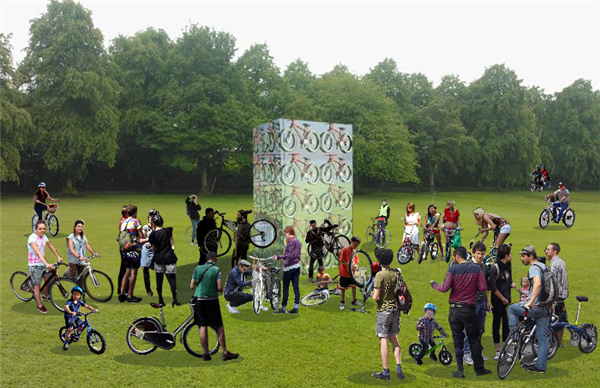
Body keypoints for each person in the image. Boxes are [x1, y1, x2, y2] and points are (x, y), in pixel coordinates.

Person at [430, 246, 491, 378]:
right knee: (474, 340)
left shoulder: (452, 270)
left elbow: (445, 288)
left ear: (457, 256)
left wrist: (434, 284)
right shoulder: (476, 269)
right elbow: (483, 287)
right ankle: (479, 369)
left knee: (458, 340)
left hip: (454, 310)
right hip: (469, 310)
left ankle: (460, 371)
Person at [508, 246, 552, 373]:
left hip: (537, 307)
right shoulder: (545, 266)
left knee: (511, 309)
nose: (521, 258)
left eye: (523, 256)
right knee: (543, 338)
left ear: (531, 256)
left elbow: (537, 284)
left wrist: (530, 302)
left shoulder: (534, 268)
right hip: (546, 307)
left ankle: (514, 336)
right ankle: (540, 366)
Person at [190, 251, 239, 361]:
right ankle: (224, 352)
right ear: (215, 259)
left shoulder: (198, 269)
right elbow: (220, 287)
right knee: (218, 325)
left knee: (202, 326)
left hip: (199, 299)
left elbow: (191, 285)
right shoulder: (216, 270)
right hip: (211, 300)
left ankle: (206, 353)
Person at [370, 248, 404, 381]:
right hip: (395, 309)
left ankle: (385, 372)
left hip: (384, 311)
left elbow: (376, 297)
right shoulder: (396, 272)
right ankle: (399, 368)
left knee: (383, 339)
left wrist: (372, 294)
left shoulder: (380, 275)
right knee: (394, 339)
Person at [463, 241, 491, 365]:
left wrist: (488, 301)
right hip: (471, 302)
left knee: (480, 329)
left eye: (482, 254)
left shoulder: (484, 267)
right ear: (473, 253)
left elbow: (485, 286)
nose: (480, 256)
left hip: (482, 301)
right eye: (478, 253)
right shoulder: (467, 266)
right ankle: (467, 353)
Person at [28, 220, 63, 313]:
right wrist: (47, 264)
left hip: (42, 264)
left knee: (49, 279)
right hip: (34, 265)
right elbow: (37, 252)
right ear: (35, 229)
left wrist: (58, 256)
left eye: (44, 228)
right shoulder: (32, 238)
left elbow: (50, 245)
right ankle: (39, 305)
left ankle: (45, 295)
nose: (42, 230)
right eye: (40, 229)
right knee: (37, 287)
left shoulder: (44, 236)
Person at [488, 244, 514, 360]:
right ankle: (498, 350)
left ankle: (506, 349)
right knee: (496, 324)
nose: (511, 256)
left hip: (507, 300)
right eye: (510, 254)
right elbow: (493, 287)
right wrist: (502, 298)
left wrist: (511, 284)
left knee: (507, 324)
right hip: (498, 301)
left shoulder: (508, 266)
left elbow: (509, 279)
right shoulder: (495, 268)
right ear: (506, 255)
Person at [148, 214, 180, 307]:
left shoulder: (153, 234)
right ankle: (175, 299)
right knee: (172, 280)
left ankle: (160, 299)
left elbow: (153, 248)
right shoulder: (168, 230)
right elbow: (172, 243)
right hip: (169, 258)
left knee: (159, 280)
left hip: (159, 259)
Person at [118, 205, 144, 303]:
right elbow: (141, 235)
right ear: (134, 212)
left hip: (125, 250)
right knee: (133, 273)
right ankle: (130, 295)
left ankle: (121, 294)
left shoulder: (123, 222)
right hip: (134, 249)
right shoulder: (136, 221)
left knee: (126, 272)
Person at [273, 226, 302, 315]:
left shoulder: (291, 242)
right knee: (296, 288)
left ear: (290, 233)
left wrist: (279, 257)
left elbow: (290, 255)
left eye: (286, 232)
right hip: (297, 267)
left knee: (285, 288)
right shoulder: (298, 242)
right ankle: (295, 308)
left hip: (289, 268)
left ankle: (283, 308)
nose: (284, 234)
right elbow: (297, 256)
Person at [546, 242, 568, 347]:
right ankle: (557, 342)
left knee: (559, 319)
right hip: (557, 295)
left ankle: (558, 343)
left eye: (549, 249)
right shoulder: (555, 262)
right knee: (558, 318)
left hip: (557, 296)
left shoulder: (557, 263)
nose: (546, 251)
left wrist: (558, 296)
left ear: (555, 251)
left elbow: (559, 281)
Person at [62, 286, 97, 350]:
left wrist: (93, 309)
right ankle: (66, 343)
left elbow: (86, 306)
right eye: (75, 294)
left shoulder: (79, 301)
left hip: (75, 316)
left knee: (82, 325)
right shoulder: (69, 301)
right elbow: (66, 307)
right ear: (72, 294)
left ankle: (76, 335)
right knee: (70, 329)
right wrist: (70, 312)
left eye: (78, 295)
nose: (76, 296)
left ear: (80, 296)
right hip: (69, 316)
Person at [338, 236, 362, 310]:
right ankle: (342, 302)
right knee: (343, 288)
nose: (356, 246)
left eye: (357, 245)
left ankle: (354, 300)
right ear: (351, 242)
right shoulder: (344, 250)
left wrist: (356, 266)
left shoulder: (355, 251)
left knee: (354, 287)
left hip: (352, 273)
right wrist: (351, 265)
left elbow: (355, 262)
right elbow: (342, 261)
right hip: (344, 272)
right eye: (355, 244)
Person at [140, 209, 159, 297]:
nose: (150, 217)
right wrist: (149, 239)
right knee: (145, 269)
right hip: (147, 249)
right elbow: (141, 240)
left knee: (159, 269)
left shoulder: (158, 228)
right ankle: (148, 289)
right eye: (150, 216)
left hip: (156, 250)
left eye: (152, 216)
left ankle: (159, 288)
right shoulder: (145, 227)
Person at [117, 205, 129, 296]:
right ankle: (123, 290)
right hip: (125, 247)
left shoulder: (124, 221)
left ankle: (122, 289)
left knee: (124, 269)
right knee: (125, 269)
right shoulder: (125, 222)